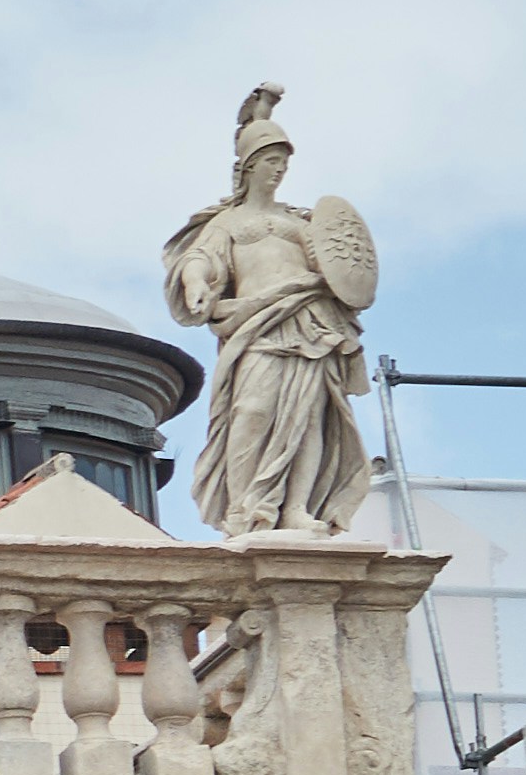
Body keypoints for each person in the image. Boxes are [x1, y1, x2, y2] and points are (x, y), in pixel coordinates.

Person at [160, 82, 376, 537]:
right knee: (253, 409)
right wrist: (196, 280)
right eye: (272, 162)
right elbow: (202, 257)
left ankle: (297, 507)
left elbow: (337, 265)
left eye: (285, 163)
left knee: (309, 418)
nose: (279, 171)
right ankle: (245, 508)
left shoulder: (299, 221)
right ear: (251, 167)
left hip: (311, 321)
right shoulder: (228, 222)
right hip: (256, 326)